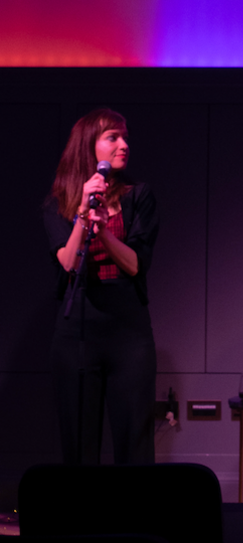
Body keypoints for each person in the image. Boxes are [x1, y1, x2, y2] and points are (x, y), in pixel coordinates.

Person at [43, 108, 160, 465]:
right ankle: (83, 520)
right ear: (88, 147)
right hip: (78, 329)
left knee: (135, 441)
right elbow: (67, 263)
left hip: (128, 329)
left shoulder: (139, 196)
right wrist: (82, 215)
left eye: (125, 136)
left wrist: (104, 231)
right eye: (113, 137)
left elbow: (135, 264)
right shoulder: (57, 203)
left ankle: (136, 520)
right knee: (79, 445)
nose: (124, 144)